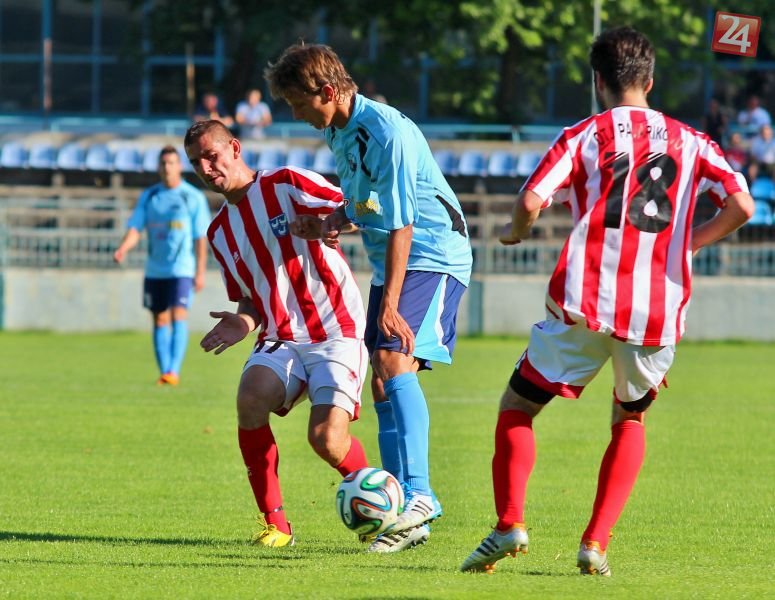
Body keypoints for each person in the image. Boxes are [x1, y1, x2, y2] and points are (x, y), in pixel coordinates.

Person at [460, 26, 753, 577]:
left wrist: (514, 232)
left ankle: (510, 523)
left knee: (518, 406)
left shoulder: (585, 134)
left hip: (586, 300)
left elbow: (531, 200)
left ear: (598, 81)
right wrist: (689, 243)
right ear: (650, 80)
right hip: (656, 309)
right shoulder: (693, 141)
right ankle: (595, 542)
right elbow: (742, 205)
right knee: (629, 418)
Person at [265, 44, 473, 553]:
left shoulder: (387, 132)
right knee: (381, 382)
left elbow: (403, 224)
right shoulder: (338, 131)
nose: (295, 114)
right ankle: (403, 516)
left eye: (298, 103)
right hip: (397, 261)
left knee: (391, 360)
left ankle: (420, 495)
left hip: (433, 252)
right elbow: (368, 202)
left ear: (327, 91)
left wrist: (390, 303)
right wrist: (332, 220)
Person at [184, 120, 370, 548]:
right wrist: (241, 322)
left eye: (211, 156)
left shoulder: (286, 183)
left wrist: (331, 224)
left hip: (335, 329)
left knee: (326, 440)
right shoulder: (219, 232)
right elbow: (251, 301)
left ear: (234, 148)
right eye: (197, 163)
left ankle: (376, 501)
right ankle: (276, 525)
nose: (206, 168)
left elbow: (359, 207)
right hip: (281, 335)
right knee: (250, 398)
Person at [113, 145, 210, 385]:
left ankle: (173, 372)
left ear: (179, 166)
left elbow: (200, 237)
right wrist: (124, 248)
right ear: (158, 167)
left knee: (178, 314)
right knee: (159, 319)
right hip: (155, 269)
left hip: (181, 269)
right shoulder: (150, 196)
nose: (167, 167)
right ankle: (165, 371)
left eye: (171, 163)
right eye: (163, 163)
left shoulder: (192, 197)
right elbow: (136, 228)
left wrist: (200, 271)